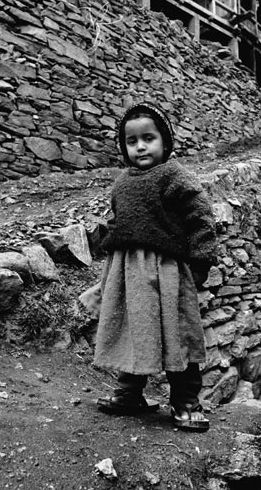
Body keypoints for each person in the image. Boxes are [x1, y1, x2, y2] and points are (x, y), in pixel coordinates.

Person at [94, 102, 218, 432]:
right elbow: (119, 222)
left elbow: (201, 221)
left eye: (148, 138)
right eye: (131, 141)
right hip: (129, 273)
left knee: (177, 334)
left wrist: (201, 263)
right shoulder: (121, 182)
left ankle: (186, 401)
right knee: (133, 331)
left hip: (168, 272)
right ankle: (130, 394)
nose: (140, 146)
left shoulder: (174, 177)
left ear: (165, 141)